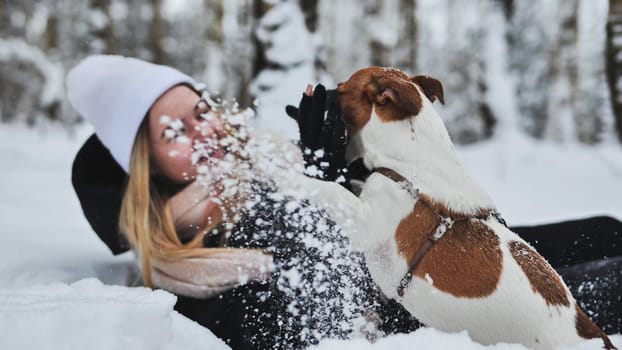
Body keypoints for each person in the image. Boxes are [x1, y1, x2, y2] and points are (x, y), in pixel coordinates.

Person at [68, 55, 622, 349]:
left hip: (444, 243)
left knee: (606, 229)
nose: (204, 131)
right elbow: (299, 324)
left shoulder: (269, 160)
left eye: (201, 111)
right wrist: (327, 184)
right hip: (429, 307)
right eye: (174, 133)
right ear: (148, 171)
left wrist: (350, 168)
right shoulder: (187, 265)